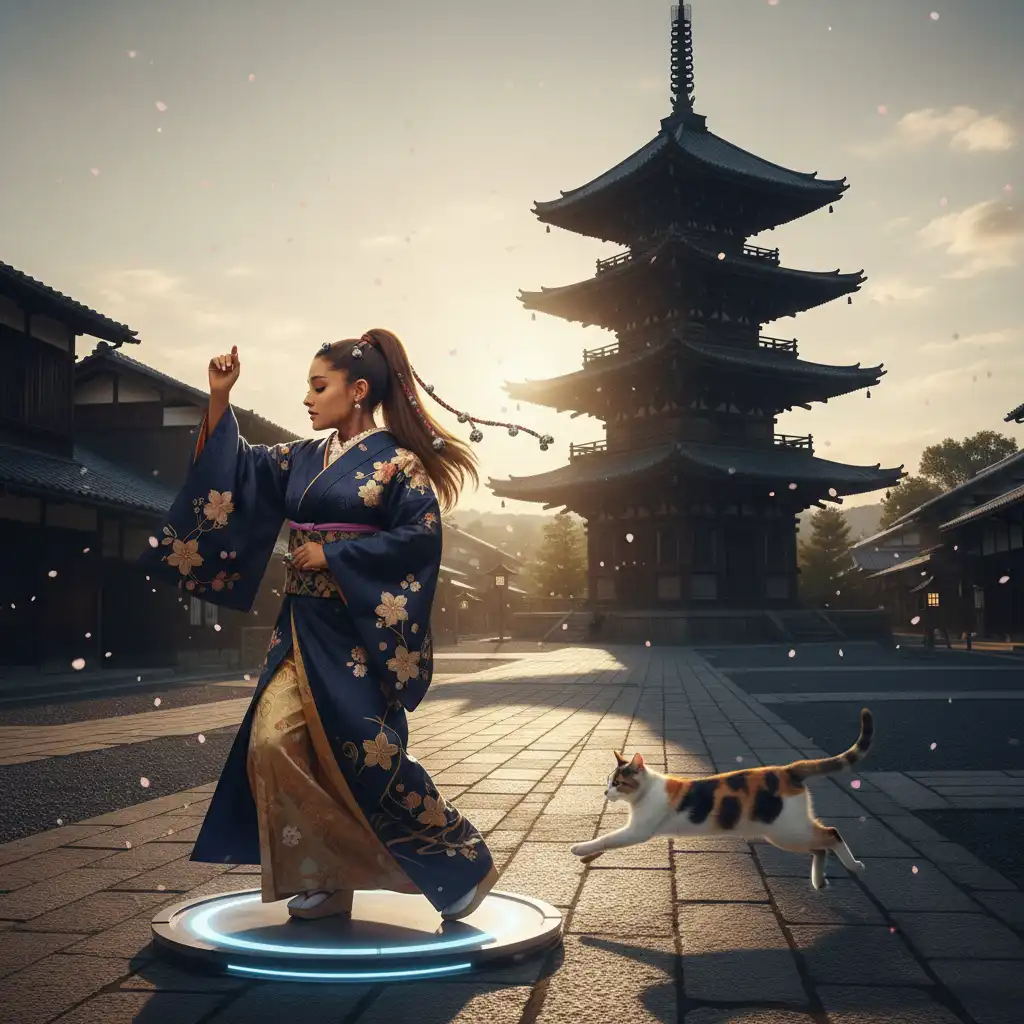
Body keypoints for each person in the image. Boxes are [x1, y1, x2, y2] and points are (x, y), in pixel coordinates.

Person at [140, 328, 551, 921]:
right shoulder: (298, 458)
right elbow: (234, 476)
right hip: (300, 631)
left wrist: (334, 555)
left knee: (371, 755)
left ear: (357, 391)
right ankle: (327, 874)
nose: (307, 399)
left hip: (359, 635)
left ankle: (455, 862)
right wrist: (221, 399)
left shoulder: (399, 464)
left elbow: (419, 538)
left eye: (318, 386)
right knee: (272, 744)